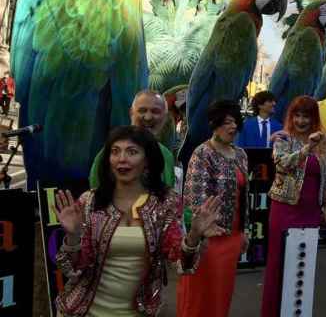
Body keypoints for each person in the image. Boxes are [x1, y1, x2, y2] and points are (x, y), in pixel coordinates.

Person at [53, 127, 223, 317]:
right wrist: (73, 236)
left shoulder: (165, 202)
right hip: (83, 311)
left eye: (131, 152)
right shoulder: (89, 202)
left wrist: (193, 236)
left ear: (147, 160)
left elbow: (180, 262)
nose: (122, 158)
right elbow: (72, 268)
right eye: (115, 151)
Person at [260, 95, 326, 317]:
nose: (301, 121)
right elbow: (282, 164)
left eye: (306, 116)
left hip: (311, 211)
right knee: (278, 264)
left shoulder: (325, 142)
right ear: (291, 117)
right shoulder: (283, 137)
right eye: (297, 115)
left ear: (314, 118)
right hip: (284, 209)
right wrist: (306, 149)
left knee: (303, 265)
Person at [177, 100, 249, 317]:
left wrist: (244, 231)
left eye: (235, 121)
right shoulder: (202, 153)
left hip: (233, 237)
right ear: (214, 124)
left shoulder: (241, 155)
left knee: (222, 295)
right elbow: (193, 200)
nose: (233, 126)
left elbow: (244, 197)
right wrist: (199, 235)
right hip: (208, 240)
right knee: (200, 296)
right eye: (227, 122)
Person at [89, 90, 176, 189]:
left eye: (155, 111)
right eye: (142, 110)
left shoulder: (167, 155)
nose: (148, 117)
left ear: (165, 116)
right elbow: (97, 191)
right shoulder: (113, 150)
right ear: (131, 113)